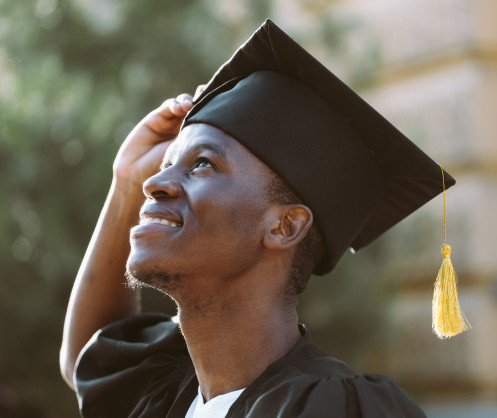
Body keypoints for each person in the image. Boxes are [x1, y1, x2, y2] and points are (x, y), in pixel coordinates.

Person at [60, 20, 453, 417]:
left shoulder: (338, 409)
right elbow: (90, 360)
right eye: (164, 165)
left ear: (285, 226)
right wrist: (126, 184)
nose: (154, 183)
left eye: (201, 164)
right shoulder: (168, 396)